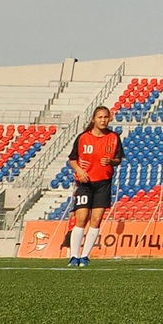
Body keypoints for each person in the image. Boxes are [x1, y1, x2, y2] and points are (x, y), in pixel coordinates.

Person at [66, 105, 122, 268]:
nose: (103, 120)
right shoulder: (83, 138)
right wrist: (79, 170)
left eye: (106, 117)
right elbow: (72, 159)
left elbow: (118, 159)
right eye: (100, 117)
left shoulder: (114, 137)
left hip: (103, 183)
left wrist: (111, 161)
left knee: (96, 220)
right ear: (94, 119)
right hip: (85, 183)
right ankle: (74, 256)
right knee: (81, 218)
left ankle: (85, 256)